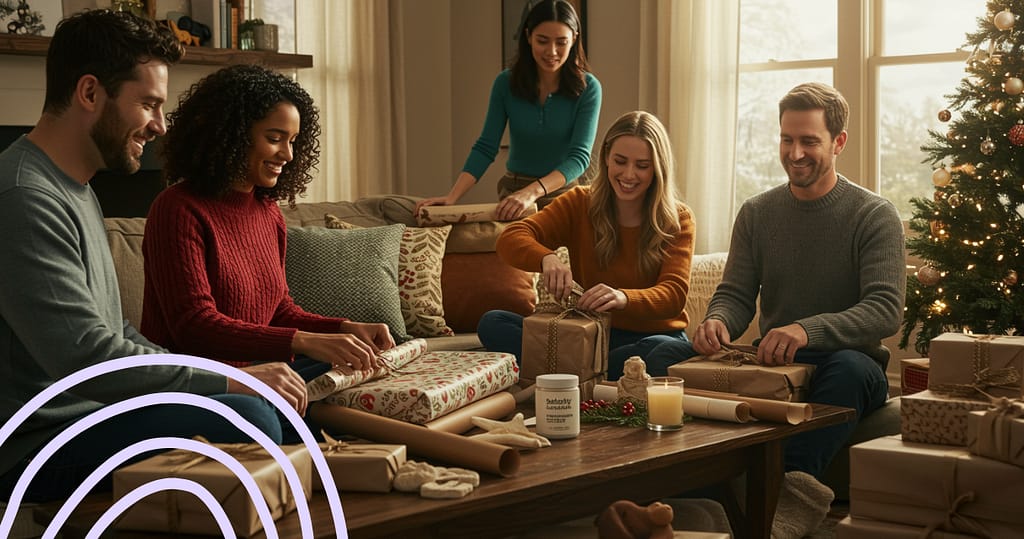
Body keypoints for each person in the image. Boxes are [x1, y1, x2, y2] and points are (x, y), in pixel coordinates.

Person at [0, 10, 309, 503]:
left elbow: (115, 330)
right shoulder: (24, 195)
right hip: (35, 445)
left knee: (288, 394)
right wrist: (228, 379)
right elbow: (86, 356)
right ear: (89, 92)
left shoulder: (75, 187)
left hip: (92, 415)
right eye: (148, 104)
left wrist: (219, 378)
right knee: (249, 415)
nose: (160, 127)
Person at [683, 82, 905, 538]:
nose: (795, 153)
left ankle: (786, 501)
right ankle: (685, 491)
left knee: (848, 368)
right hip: (773, 365)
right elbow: (735, 294)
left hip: (851, 365)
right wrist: (717, 321)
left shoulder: (874, 215)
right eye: (787, 139)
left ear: (839, 142)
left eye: (809, 141)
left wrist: (806, 330)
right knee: (668, 354)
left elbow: (884, 310)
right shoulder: (757, 213)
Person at [140, 64, 394, 383]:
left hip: (251, 377)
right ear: (231, 134)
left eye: (293, 141)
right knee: (276, 404)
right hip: (191, 384)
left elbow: (278, 311)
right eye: (275, 138)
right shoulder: (178, 209)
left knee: (363, 369)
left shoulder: (268, 212)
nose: (287, 155)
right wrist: (304, 341)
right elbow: (194, 325)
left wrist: (345, 329)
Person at [477, 111, 695, 380]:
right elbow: (511, 238)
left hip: (652, 339)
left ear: (658, 168)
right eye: (620, 161)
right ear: (606, 157)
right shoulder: (579, 202)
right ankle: (586, 373)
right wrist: (547, 258)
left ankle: (569, 372)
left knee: (664, 351)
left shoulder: (678, 218)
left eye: (642, 165)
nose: (629, 174)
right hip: (590, 335)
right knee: (493, 323)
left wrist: (623, 298)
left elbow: (673, 295)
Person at [415, 0, 602, 221]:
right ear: (528, 36)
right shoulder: (505, 83)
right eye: (542, 41)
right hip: (514, 192)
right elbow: (486, 147)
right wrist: (452, 197)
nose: (552, 51)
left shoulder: (589, 88)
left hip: (562, 194)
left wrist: (531, 192)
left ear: (574, 39)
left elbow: (579, 158)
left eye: (561, 42)